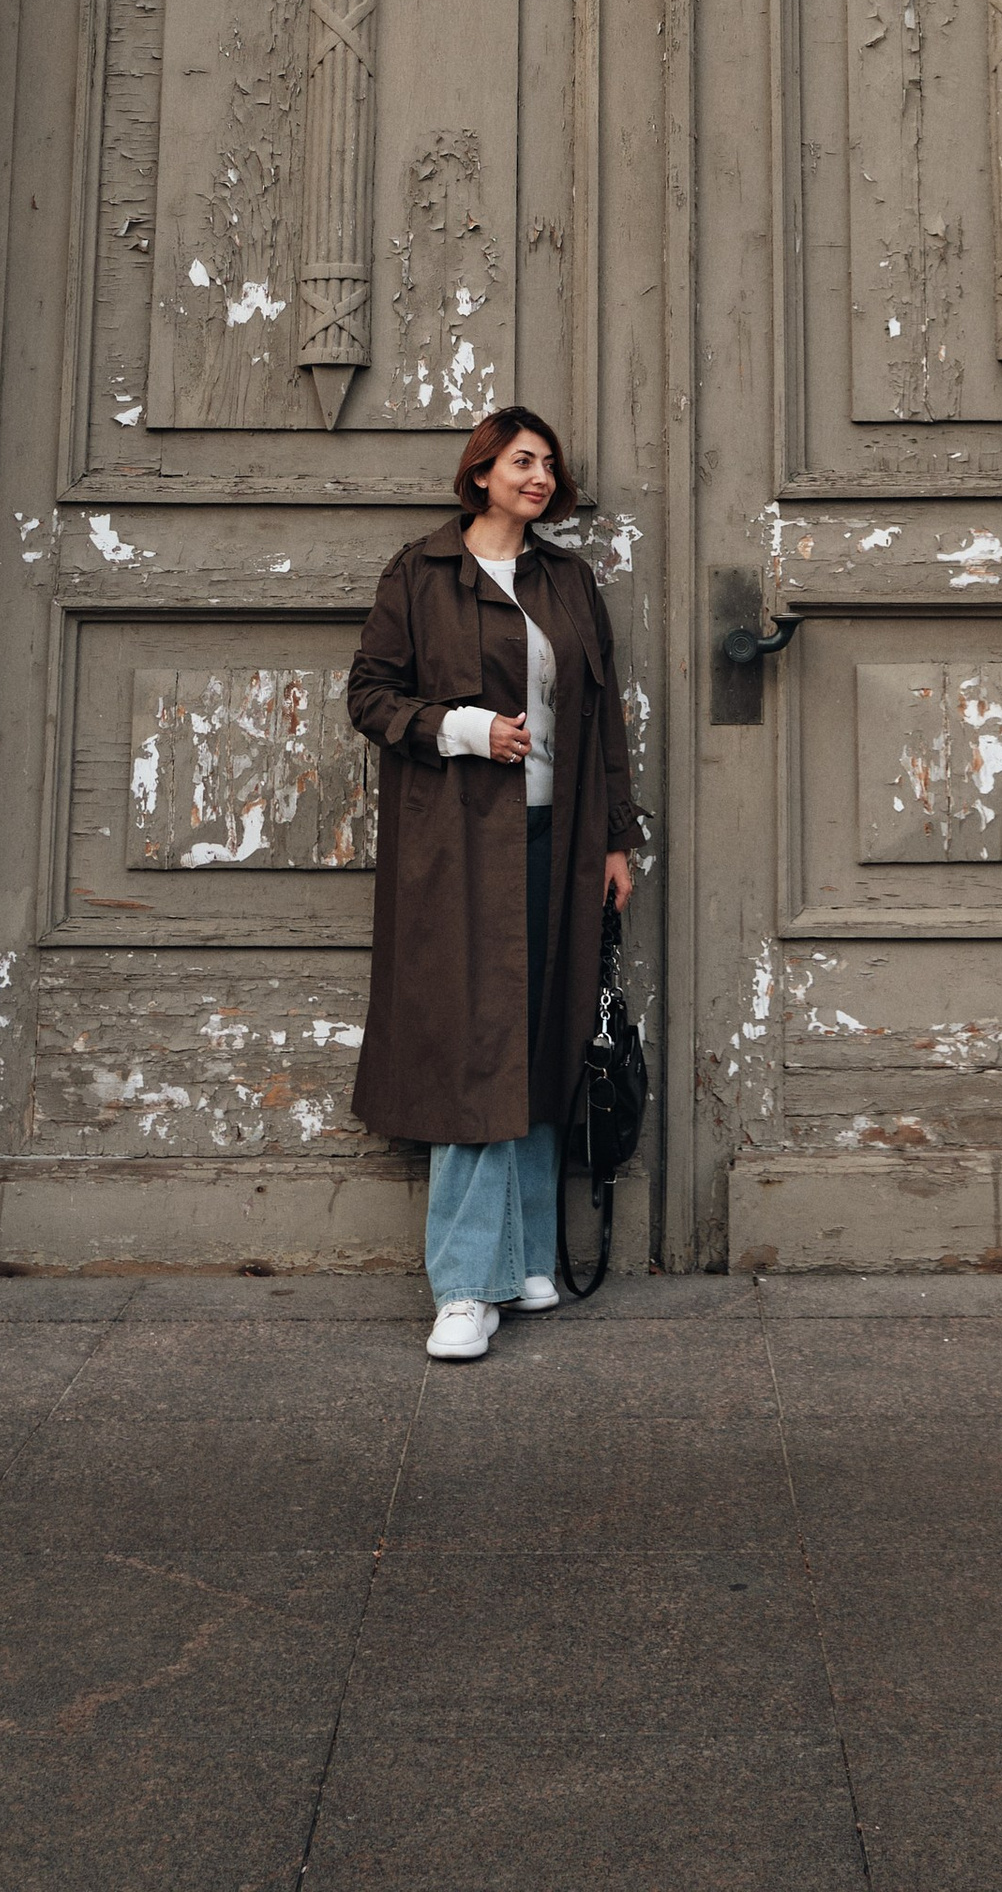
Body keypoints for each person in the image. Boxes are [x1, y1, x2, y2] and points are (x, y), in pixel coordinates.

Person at [347, 406, 637, 1358]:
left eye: (550, 463)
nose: (540, 477)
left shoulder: (567, 579)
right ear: (480, 474)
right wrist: (467, 729)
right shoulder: (420, 573)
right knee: (475, 1044)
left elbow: (606, 727)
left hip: (559, 837)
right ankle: (465, 1285)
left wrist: (615, 843)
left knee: (543, 1034)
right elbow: (371, 695)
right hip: (461, 844)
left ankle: (521, 1261)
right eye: (523, 461)